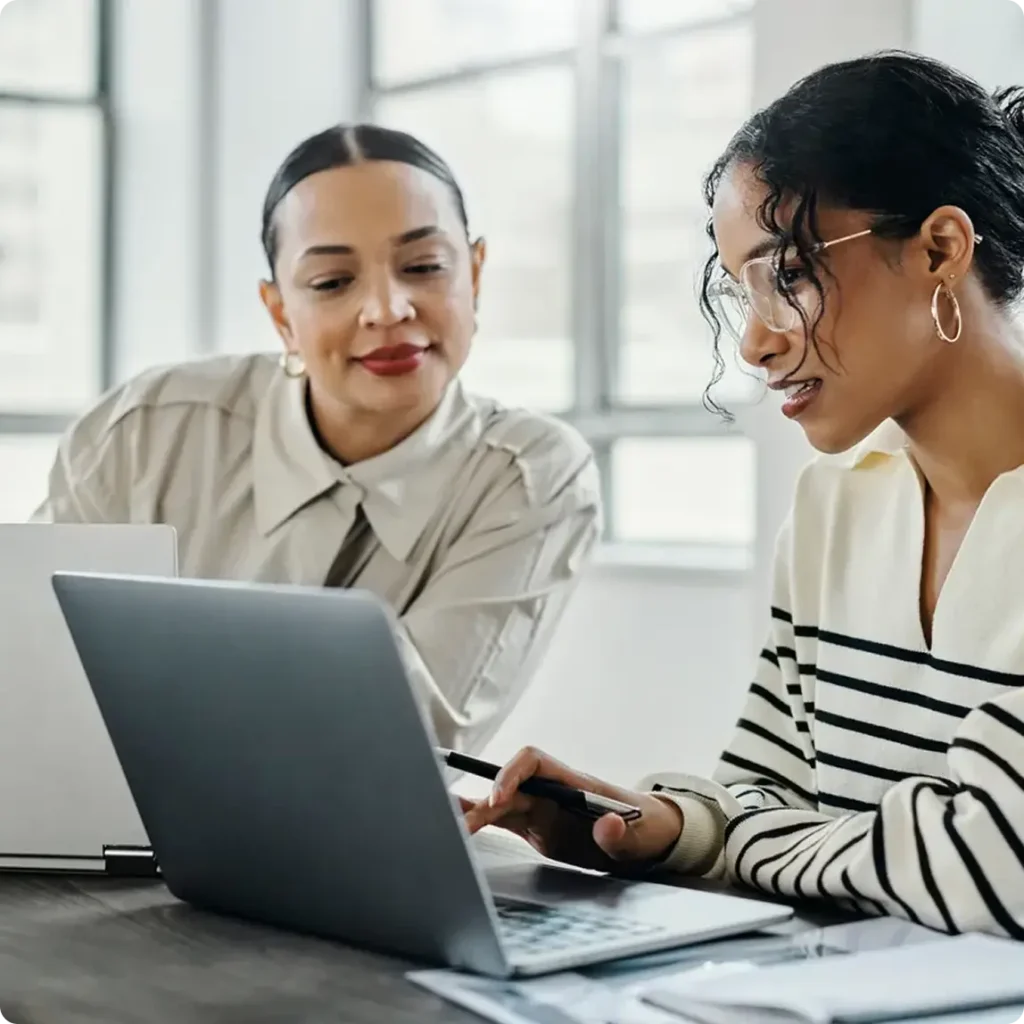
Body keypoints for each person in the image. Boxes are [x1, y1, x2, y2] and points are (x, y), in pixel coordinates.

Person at [463, 52, 1024, 938]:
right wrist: (658, 828)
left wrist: (737, 840)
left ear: (941, 249)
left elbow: (989, 865)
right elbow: (766, 785)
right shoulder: (834, 506)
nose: (756, 345)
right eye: (743, 291)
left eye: (790, 276)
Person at [35, 123, 602, 754]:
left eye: (424, 267)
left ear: (475, 272)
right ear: (280, 313)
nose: (387, 310)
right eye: (333, 282)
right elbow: (32, 663)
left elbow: (405, 740)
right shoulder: (146, 431)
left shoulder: (530, 476)